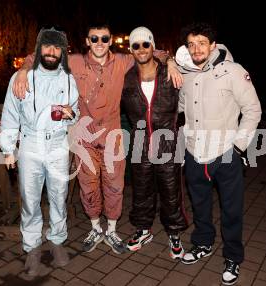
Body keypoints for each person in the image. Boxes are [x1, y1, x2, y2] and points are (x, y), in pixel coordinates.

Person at [12, 23, 183, 255]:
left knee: (114, 185)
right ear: (87, 41)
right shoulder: (75, 62)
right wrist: (23, 70)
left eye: (104, 39)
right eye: (95, 39)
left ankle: (111, 230)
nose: (99, 43)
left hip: (112, 136)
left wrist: (170, 61)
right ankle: (95, 228)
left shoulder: (124, 61)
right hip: (84, 137)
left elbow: (153, 52)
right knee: (88, 185)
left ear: (111, 40)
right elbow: (42, 54)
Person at [176, 22, 261, 285]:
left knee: (231, 210)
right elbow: (181, 109)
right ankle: (203, 244)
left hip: (225, 153)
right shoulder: (186, 74)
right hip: (194, 153)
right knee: (200, 205)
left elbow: (253, 110)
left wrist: (238, 147)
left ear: (213, 45)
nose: (196, 48)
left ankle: (233, 257)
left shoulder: (233, 71)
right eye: (191, 44)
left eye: (201, 43)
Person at [0, 27, 79, 277]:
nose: (52, 52)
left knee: (58, 196)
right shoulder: (20, 78)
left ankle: (56, 240)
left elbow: (73, 113)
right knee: (30, 199)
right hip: (30, 144)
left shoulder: (68, 79)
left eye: (57, 47)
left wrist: (71, 115)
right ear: (39, 49)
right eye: (47, 46)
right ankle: (32, 247)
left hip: (57, 144)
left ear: (62, 52)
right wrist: (8, 148)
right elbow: (10, 115)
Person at [121, 27, 187, 259]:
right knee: (141, 190)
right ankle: (143, 230)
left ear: (152, 46)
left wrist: (170, 60)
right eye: (136, 45)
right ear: (131, 49)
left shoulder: (169, 72)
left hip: (167, 140)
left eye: (145, 44)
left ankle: (174, 233)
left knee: (171, 191)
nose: (141, 49)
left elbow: (188, 102)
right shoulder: (127, 78)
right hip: (140, 141)